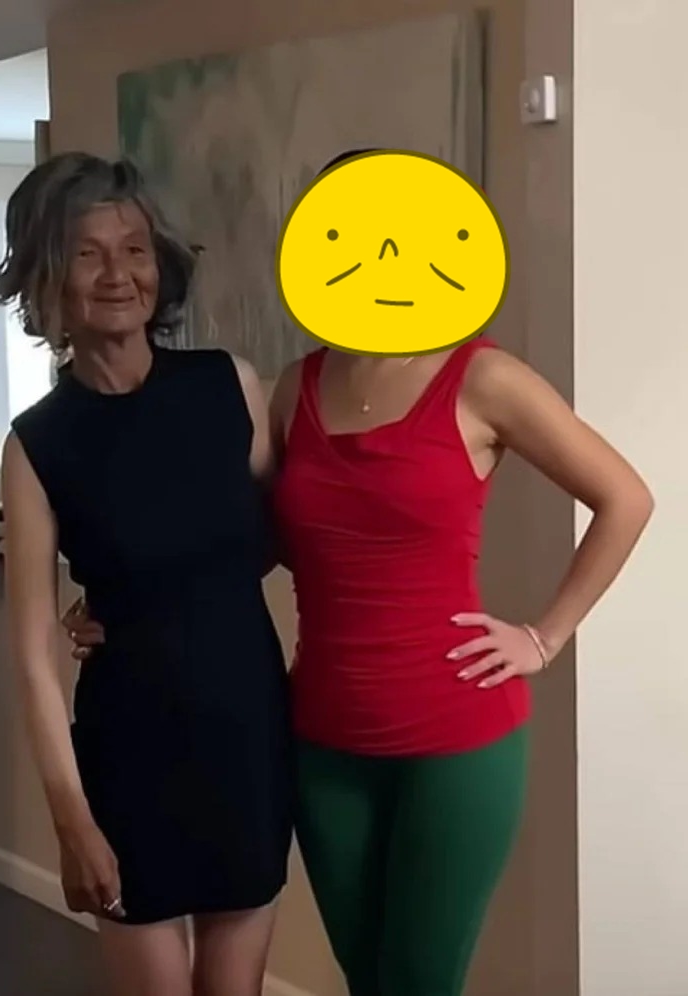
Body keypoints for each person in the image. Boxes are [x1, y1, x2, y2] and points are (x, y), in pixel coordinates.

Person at [66, 150, 654, 996]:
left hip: (457, 737)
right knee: (367, 975)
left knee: (418, 980)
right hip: (321, 737)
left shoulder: (484, 377)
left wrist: (543, 636)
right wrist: (125, 601)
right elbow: (244, 542)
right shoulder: (294, 389)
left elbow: (626, 499)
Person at [0, 153, 293, 996]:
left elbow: (276, 538)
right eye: (88, 254)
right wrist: (71, 821)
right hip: (129, 755)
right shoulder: (37, 444)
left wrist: (154, 589)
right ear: (50, 276)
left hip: (247, 740)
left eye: (134, 250)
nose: (118, 274)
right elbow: (32, 659)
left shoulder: (229, 385)